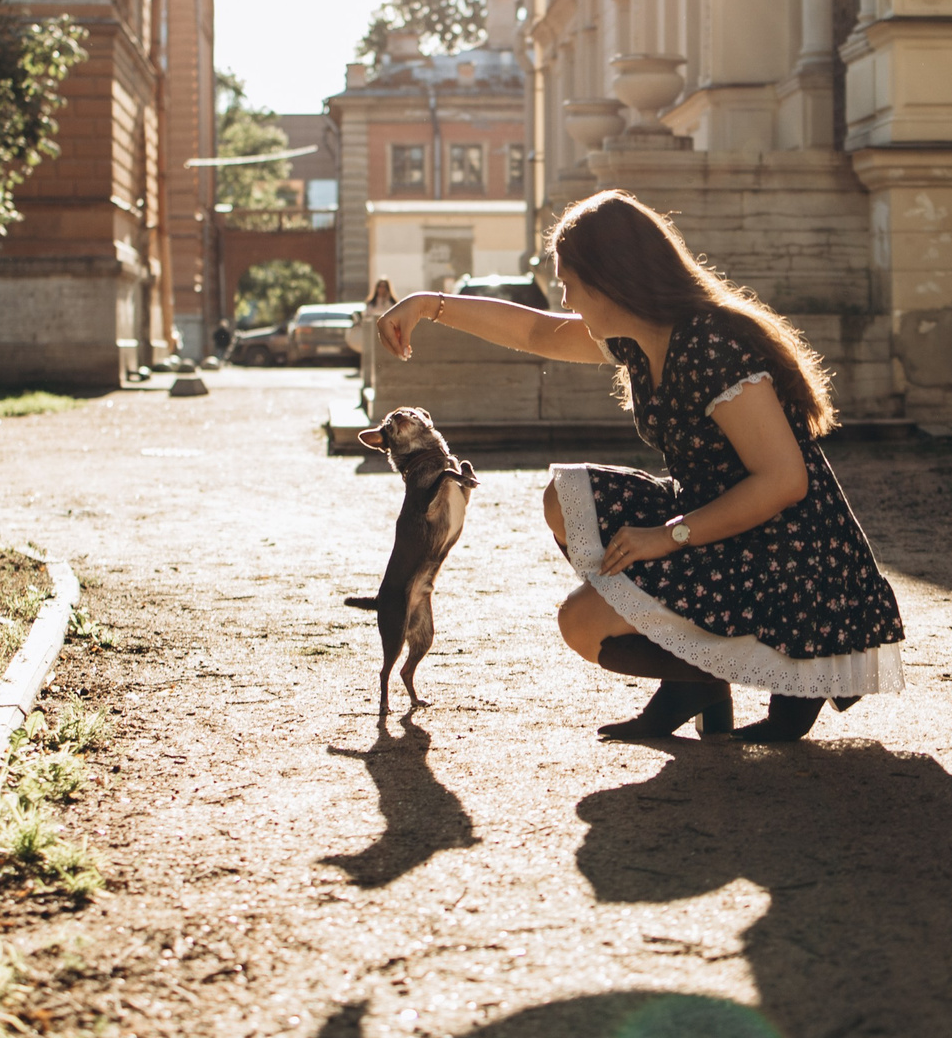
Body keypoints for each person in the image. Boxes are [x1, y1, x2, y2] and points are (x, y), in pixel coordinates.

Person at [376, 191, 905, 743]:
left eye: (570, 283)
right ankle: (697, 683)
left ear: (612, 280)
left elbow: (785, 482)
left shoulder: (711, 343)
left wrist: (667, 536)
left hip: (786, 549)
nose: (565, 299)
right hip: (711, 516)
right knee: (563, 497)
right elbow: (534, 332)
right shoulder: (639, 337)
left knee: (580, 624)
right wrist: (426, 304)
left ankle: (792, 680)